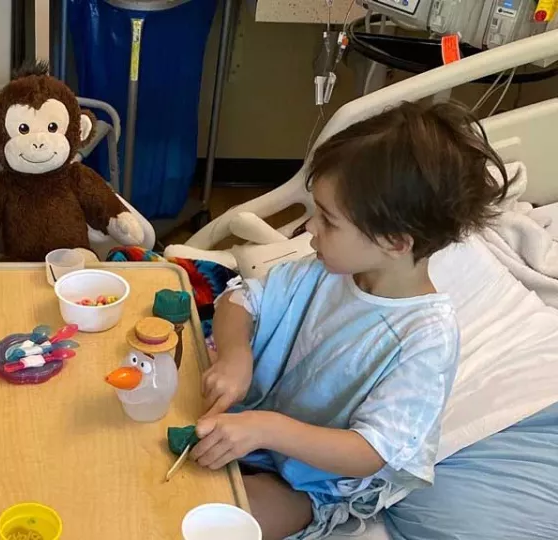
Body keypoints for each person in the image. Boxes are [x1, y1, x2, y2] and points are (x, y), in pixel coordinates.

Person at [195, 101, 510, 540]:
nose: (309, 229)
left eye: (328, 219)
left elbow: (370, 451)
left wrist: (268, 429)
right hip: (247, 426)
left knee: (212, 523)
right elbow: (240, 301)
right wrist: (235, 357)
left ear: (395, 241)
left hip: (311, 481)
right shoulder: (321, 270)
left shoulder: (425, 340)